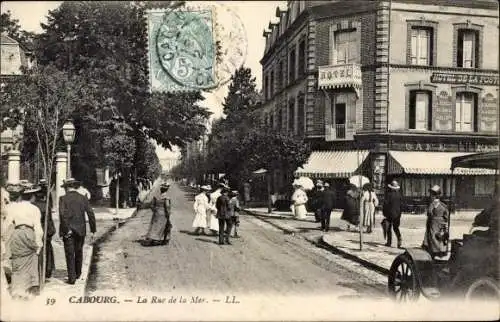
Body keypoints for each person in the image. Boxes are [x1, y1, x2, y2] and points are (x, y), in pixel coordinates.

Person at [4, 186, 44, 300]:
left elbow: (7, 224)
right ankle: (30, 289)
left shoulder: (13, 208)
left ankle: (17, 289)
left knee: (17, 259)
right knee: (32, 259)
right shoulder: (34, 209)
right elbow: (38, 228)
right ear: (32, 197)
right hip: (28, 232)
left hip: (16, 233)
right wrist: (39, 244)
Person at [59, 178, 96, 284]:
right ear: (75, 186)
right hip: (81, 229)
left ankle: (72, 278)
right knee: (79, 251)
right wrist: (93, 229)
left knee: (69, 253)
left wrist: (67, 229)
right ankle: (78, 273)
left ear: (67, 187)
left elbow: (62, 215)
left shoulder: (63, 199)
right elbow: (90, 213)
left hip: (68, 230)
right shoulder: (83, 198)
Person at [33, 181, 56, 279]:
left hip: (34, 230)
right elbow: (49, 220)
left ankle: (36, 270)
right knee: (47, 249)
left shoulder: (32, 205)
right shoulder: (45, 206)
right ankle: (47, 269)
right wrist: (51, 231)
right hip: (44, 229)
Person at [140, 182, 173, 246]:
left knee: (154, 226)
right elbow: (167, 207)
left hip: (156, 213)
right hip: (163, 214)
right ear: (167, 189)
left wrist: (155, 210)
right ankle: (161, 239)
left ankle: (152, 237)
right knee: (165, 226)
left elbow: (151, 205)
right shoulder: (166, 197)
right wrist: (168, 214)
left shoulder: (156, 196)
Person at [422, 185, 449, 257]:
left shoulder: (432, 204)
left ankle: (434, 250)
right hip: (441, 222)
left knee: (432, 235)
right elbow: (446, 215)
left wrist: (432, 217)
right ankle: (441, 250)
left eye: (432, 194)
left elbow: (429, 212)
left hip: (433, 221)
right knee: (440, 235)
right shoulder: (443, 205)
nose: (430, 196)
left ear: (434, 195)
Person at [383, 180, 403, 248]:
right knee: (396, 228)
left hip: (389, 213)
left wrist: (384, 212)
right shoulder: (399, 195)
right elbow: (401, 205)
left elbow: (385, 204)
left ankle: (389, 242)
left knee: (389, 228)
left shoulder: (389, 195)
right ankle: (399, 238)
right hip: (397, 214)